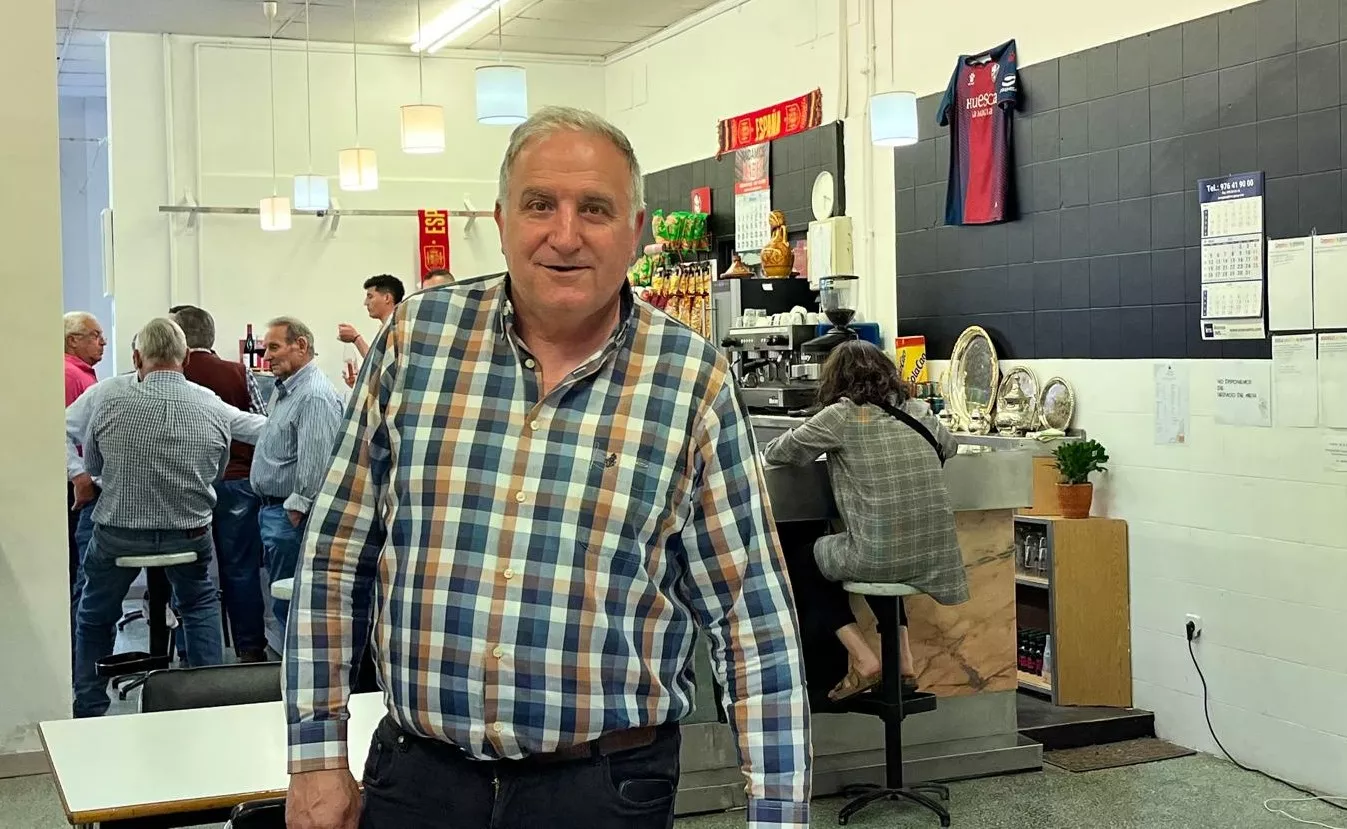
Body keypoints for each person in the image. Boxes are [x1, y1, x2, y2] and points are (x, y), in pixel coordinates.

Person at [283, 107, 811, 829]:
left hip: (601, 790)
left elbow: (751, 618)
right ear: (502, 221)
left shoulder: (693, 382)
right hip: (420, 780)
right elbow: (335, 557)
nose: (564, 235)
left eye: (594, 208)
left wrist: (777, 813)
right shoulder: (415, 340)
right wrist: (315, 754)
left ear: (634, 230)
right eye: (540, 205)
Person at [763, 340, 966, 702]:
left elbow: (781, 452)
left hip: (878, 553)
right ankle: (903, 661)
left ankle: (863, 658)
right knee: (883, 557)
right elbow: (949, 447)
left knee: (801, 561)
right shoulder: (916, 409)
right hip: (934, 554)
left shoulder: (842, 415)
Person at [72, 318, 246, 717]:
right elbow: (216, 472)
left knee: (95, 615)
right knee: (199, 603)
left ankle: (89, 706)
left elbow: (95, 466)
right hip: (189, 534)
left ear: (136, 357)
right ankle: (210, 706)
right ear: (185, 358)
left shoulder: (110, 401)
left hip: (119, 535)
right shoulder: (211, 405)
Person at [173, 305, 271, 662]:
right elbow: (263, 424)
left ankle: (190, 650)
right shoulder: (237, 371)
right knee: (242, 568)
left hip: (187, 484)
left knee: (188, 569)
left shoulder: (173, 375)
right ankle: (250, 648)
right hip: (238, 481)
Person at [249, 316, 343, 629]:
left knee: (294, 611)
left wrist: (298, 506)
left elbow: (316, 462)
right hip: (276, 512)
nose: (266, 356)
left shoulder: (313, 395)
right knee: (284, 605)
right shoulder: (286, 390)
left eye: (274, 347)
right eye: (265, 348)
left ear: (300, 345)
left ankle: (298, 675)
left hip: (291, 517)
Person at [64, 311, 106, 598]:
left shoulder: (83, 375)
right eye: (95, 335)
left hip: (83, 478)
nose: (102, 342)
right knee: (81, 565)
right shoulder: (69, 376)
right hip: (77, 482)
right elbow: (61, 432)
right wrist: (78, 475)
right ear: (72, 340)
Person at [337, 274, 405, 360]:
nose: (365, 303)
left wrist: (356, 338)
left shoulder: (399, 328)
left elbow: (380, 365)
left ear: (387, 298)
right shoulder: (387, 327)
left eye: (370, 297)